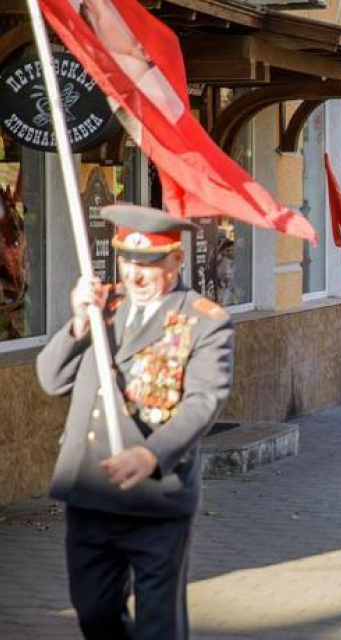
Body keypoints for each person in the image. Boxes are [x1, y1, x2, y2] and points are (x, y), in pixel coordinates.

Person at [36, 205, 234, 639]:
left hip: (156, 499)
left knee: (158, 625)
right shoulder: (102, 308)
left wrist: (151, 454)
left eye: (149, 264)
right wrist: (77, 323)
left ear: (177, 261)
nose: (135, 275)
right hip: (91, 491)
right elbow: (50, 380)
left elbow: (204, 401)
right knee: (93, 612)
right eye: (128, 262)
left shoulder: (204, 321)